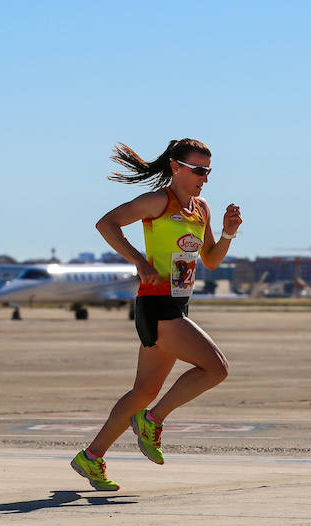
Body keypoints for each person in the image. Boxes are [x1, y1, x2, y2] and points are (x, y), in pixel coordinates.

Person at [70, 139, 242, 490]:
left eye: (208, 171)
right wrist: (139, 261)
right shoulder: (158, 202)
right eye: (198, 170)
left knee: (143, 390)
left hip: (177, 303)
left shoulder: (201, 208)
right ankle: (153, 420)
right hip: (156, 303)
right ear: (176, 167)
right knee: (216, 368)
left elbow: (210, 260)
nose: (204, 178)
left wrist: (227, 233)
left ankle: (91, 457)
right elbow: (107, 224)